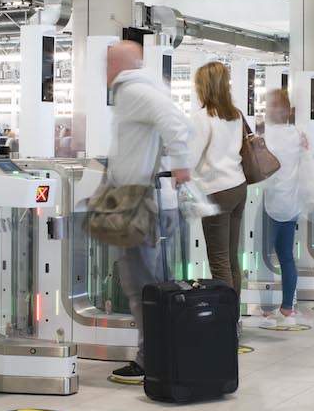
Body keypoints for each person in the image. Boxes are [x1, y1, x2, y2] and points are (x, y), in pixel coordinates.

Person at [103, 41, 190, 382]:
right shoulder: (142, 89)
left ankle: (149, 357)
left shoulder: (134, 90)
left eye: (108, 64)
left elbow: (175, 124)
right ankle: (159, 350)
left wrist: (182, 164)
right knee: (148, 280)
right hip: (145, 196)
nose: (105, 72)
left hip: (139, 200)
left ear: (118, 66)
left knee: (140, 283)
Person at [188, 61, 248, 298]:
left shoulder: (202, 117)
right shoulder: (235, 115)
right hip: (238, 186)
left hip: (216, 191)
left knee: (218, 259)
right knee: (232, 256)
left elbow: (190, 159)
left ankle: (225, 320)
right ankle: (234, 319)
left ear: (204, 86)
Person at [256, 88, 307, 324]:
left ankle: (268, 308)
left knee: (264, 256)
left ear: (286, 110)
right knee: (285, 256)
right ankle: (288, 309)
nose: (272, 109)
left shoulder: (267, 135)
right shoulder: (297, 134)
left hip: (271, 202)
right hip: (292, 204)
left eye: (275, 105)